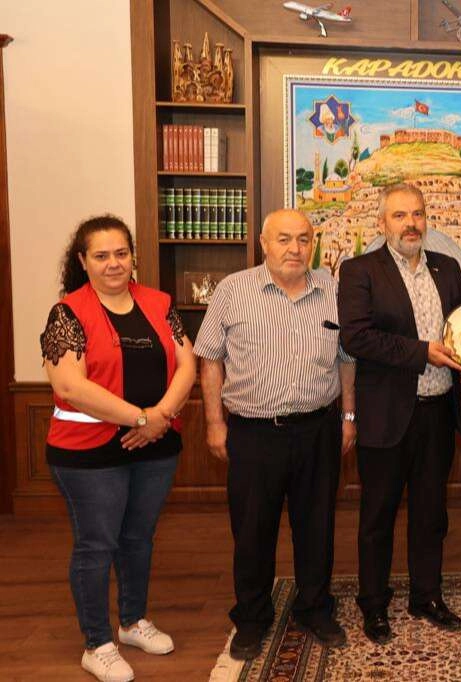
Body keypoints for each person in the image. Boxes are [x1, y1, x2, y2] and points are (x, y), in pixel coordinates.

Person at [193, 209, 357, 660]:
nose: (294, 248)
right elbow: (210, 358)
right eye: (283, 239)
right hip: (253, 433)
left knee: (317, 527)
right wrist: (214, 422)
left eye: (303, 239)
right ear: (263, 243)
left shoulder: (333, 291)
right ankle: (251, 617)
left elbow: (347, 359)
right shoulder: (233, 291)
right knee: (252, 531)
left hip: (318, 429)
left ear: (313, 244)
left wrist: (348, 416)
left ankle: (315, 609)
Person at [41, 215, 196, 682]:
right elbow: (71, 386)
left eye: (121, 253)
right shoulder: (67, 313)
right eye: (102, 255)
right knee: (97, 545)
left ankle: (132, 622)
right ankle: (97, 643)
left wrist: (160, 416)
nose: (114, 263)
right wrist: (141, 419)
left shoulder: (158, 302)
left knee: (137, 539)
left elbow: (187, 362)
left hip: (155, 446)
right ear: (83, 261)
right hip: (89, 454)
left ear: (133, 257)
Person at [338, 183, 461, 644]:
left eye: (417, 214)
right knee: (378, 516)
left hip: (438, 411)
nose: (411, 224)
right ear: (382, 223)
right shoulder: (359, 271)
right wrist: (422, 353)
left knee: (432, 514)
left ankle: (426, 596)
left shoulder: (447, 268)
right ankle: (374, 604)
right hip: (386, 414)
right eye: (399, 215)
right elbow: (356, 337)